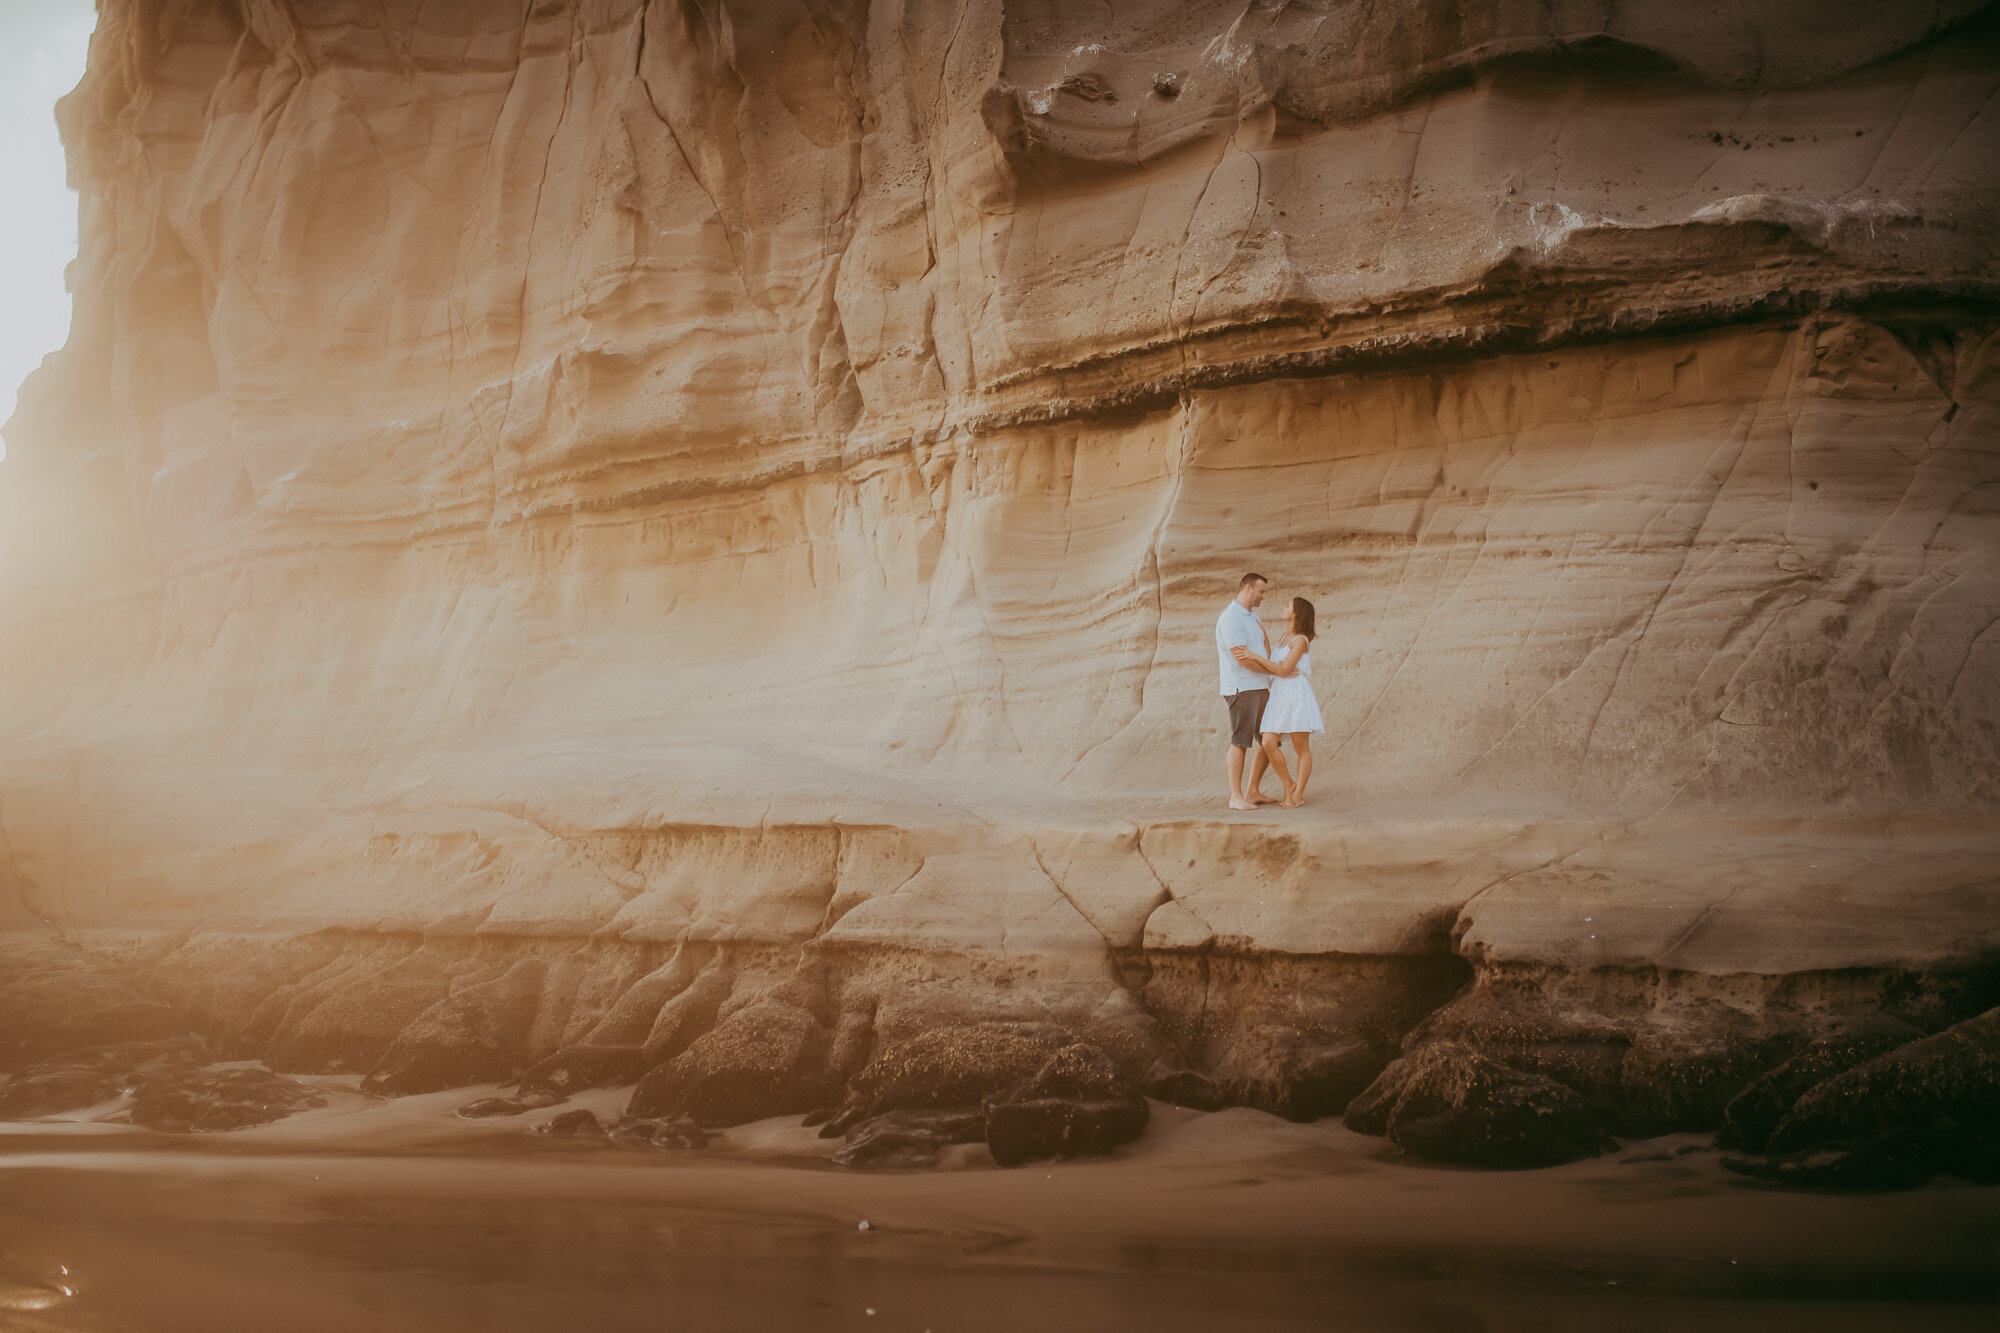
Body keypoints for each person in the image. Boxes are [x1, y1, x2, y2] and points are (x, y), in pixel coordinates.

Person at [1232, 596, 1324, 808]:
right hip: (1279, 693)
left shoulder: (1300, 640)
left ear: (1296, 614)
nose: (1284, 608)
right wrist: (1264, 638)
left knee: (1301, 747)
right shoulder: (1285, 636)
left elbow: (1282, 670)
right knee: (1267, 742)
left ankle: (1298, 794)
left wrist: (1253, 656)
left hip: (1295, 693)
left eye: (1288, 606)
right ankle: (1289, 785)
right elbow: (1276, 664)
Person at [1215, 572, 1277, 810]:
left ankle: (1252, 791)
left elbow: (1263, 644)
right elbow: (1240, 657)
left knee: (1269, 740)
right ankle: (1235, 797)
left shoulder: (1252, 617)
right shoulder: (1231, 618)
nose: (1264, 596)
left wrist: (1269, 669)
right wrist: (1271, 669)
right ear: (1248, 589)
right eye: (1261, 591)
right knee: (1240, 741)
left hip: (1260, 686)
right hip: (1242, 687)